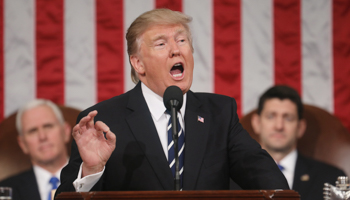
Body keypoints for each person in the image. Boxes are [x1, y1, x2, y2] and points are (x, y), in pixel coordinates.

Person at [55, 8, 289, 195]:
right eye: (161, 44)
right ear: (138, 64)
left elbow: (270, 183)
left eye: (182, 40)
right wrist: (92, 170)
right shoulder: (104, 121)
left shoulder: (220, 113)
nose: (176, 50)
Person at [250, 85, 346, 200]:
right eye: (271, 116)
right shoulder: (231, 177)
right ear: (257, 123)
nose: (279, 126)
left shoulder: (331, 179)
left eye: (288, 118)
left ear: (300, 127)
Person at [0, 99, 71, 200]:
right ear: (23, 144)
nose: (42, 136)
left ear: (66, 131)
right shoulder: (5, 191)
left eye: (48, 126)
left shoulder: (96, 182)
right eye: (32, 131)